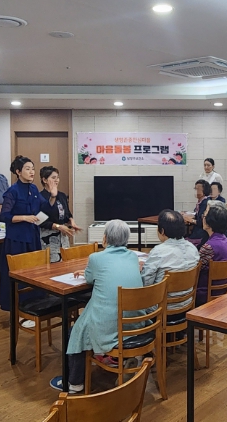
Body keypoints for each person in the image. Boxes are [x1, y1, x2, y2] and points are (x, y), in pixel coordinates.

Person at [60, 220, 145, 393]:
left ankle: (74, 382)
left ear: (105, 238)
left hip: (111, 324)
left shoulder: (96, 258)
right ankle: (112, 358)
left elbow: (90, 278)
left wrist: (87, 272)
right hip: (135, 323)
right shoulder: (132, 257)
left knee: (76, 331)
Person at [0, 155, 59, 312]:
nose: (32, 172)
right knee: (19, 273)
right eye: (27, 169)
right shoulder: (12, 191)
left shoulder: (33, 189)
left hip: (32, 236)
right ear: (18, 172)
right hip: (17, 239)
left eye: (33, 169)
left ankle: (34, 306)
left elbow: (45, 209)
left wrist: (53, 196)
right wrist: (24, 217)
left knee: (35, 272)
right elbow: (5, 216)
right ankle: (17, 307)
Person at [140, 209, 199, 311]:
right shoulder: (193, 249)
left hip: (161, 308)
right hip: (187, 304)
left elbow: (145, 285)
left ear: (162, 231)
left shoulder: (158, 252)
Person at [195, 204, 227, 306]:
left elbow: (194, 271)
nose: (202, 218)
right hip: (222, 290)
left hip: (205, 293)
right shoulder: (226, 241)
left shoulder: (209, 247)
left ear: (209, 223)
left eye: (204, 216)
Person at [38, 166, 81, 263]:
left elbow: (67, 214)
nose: (56, 180)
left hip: (63, 237)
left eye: (57, 177)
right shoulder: (40, 197)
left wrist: (71, 222)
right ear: (44, 180)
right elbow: (40, 220)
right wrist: (58, 226)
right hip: (48, 237)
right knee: (52, 265)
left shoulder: (61, 195)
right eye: (53, 178)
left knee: (66, 263)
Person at [184, 180, 211, 245]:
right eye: (195, 189)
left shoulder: (205, 203)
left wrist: (191, 220)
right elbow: (197, 214)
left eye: (197, 189)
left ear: (204, 191)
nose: (195, 191)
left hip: (201, 234)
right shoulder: (201, 201)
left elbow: (202, 222)